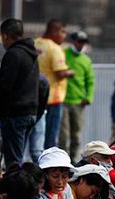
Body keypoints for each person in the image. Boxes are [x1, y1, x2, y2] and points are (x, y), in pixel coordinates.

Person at [0, 18, 39, 167]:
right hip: (30, 112)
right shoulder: (31, 53)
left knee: (13, 162)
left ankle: (16, 189)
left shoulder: (13, 54)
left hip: (15, 114)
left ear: (5, 36)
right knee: (18, 157)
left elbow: (5, 86)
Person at [35, 19, 74, 149]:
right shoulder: (55, 48)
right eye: (63, 32)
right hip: (53, 98)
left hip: (35, 96)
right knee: (50, 137)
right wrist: (69, 73)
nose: (64, 36)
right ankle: (49, 165)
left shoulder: (35, 44)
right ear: (55, 31)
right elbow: (59, 73)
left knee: (36, 135)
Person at [59, 31, 95, 161]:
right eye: (79, 41)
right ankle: (62, 161)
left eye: (83, 42)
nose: (80, 44)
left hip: (78, 102)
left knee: (76, 135)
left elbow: (90, 81)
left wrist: (88, 97)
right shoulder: (64, 54)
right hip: (63, 100)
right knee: (63, 136)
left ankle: (73, 162)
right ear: (73, 41)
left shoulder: (86, 60)